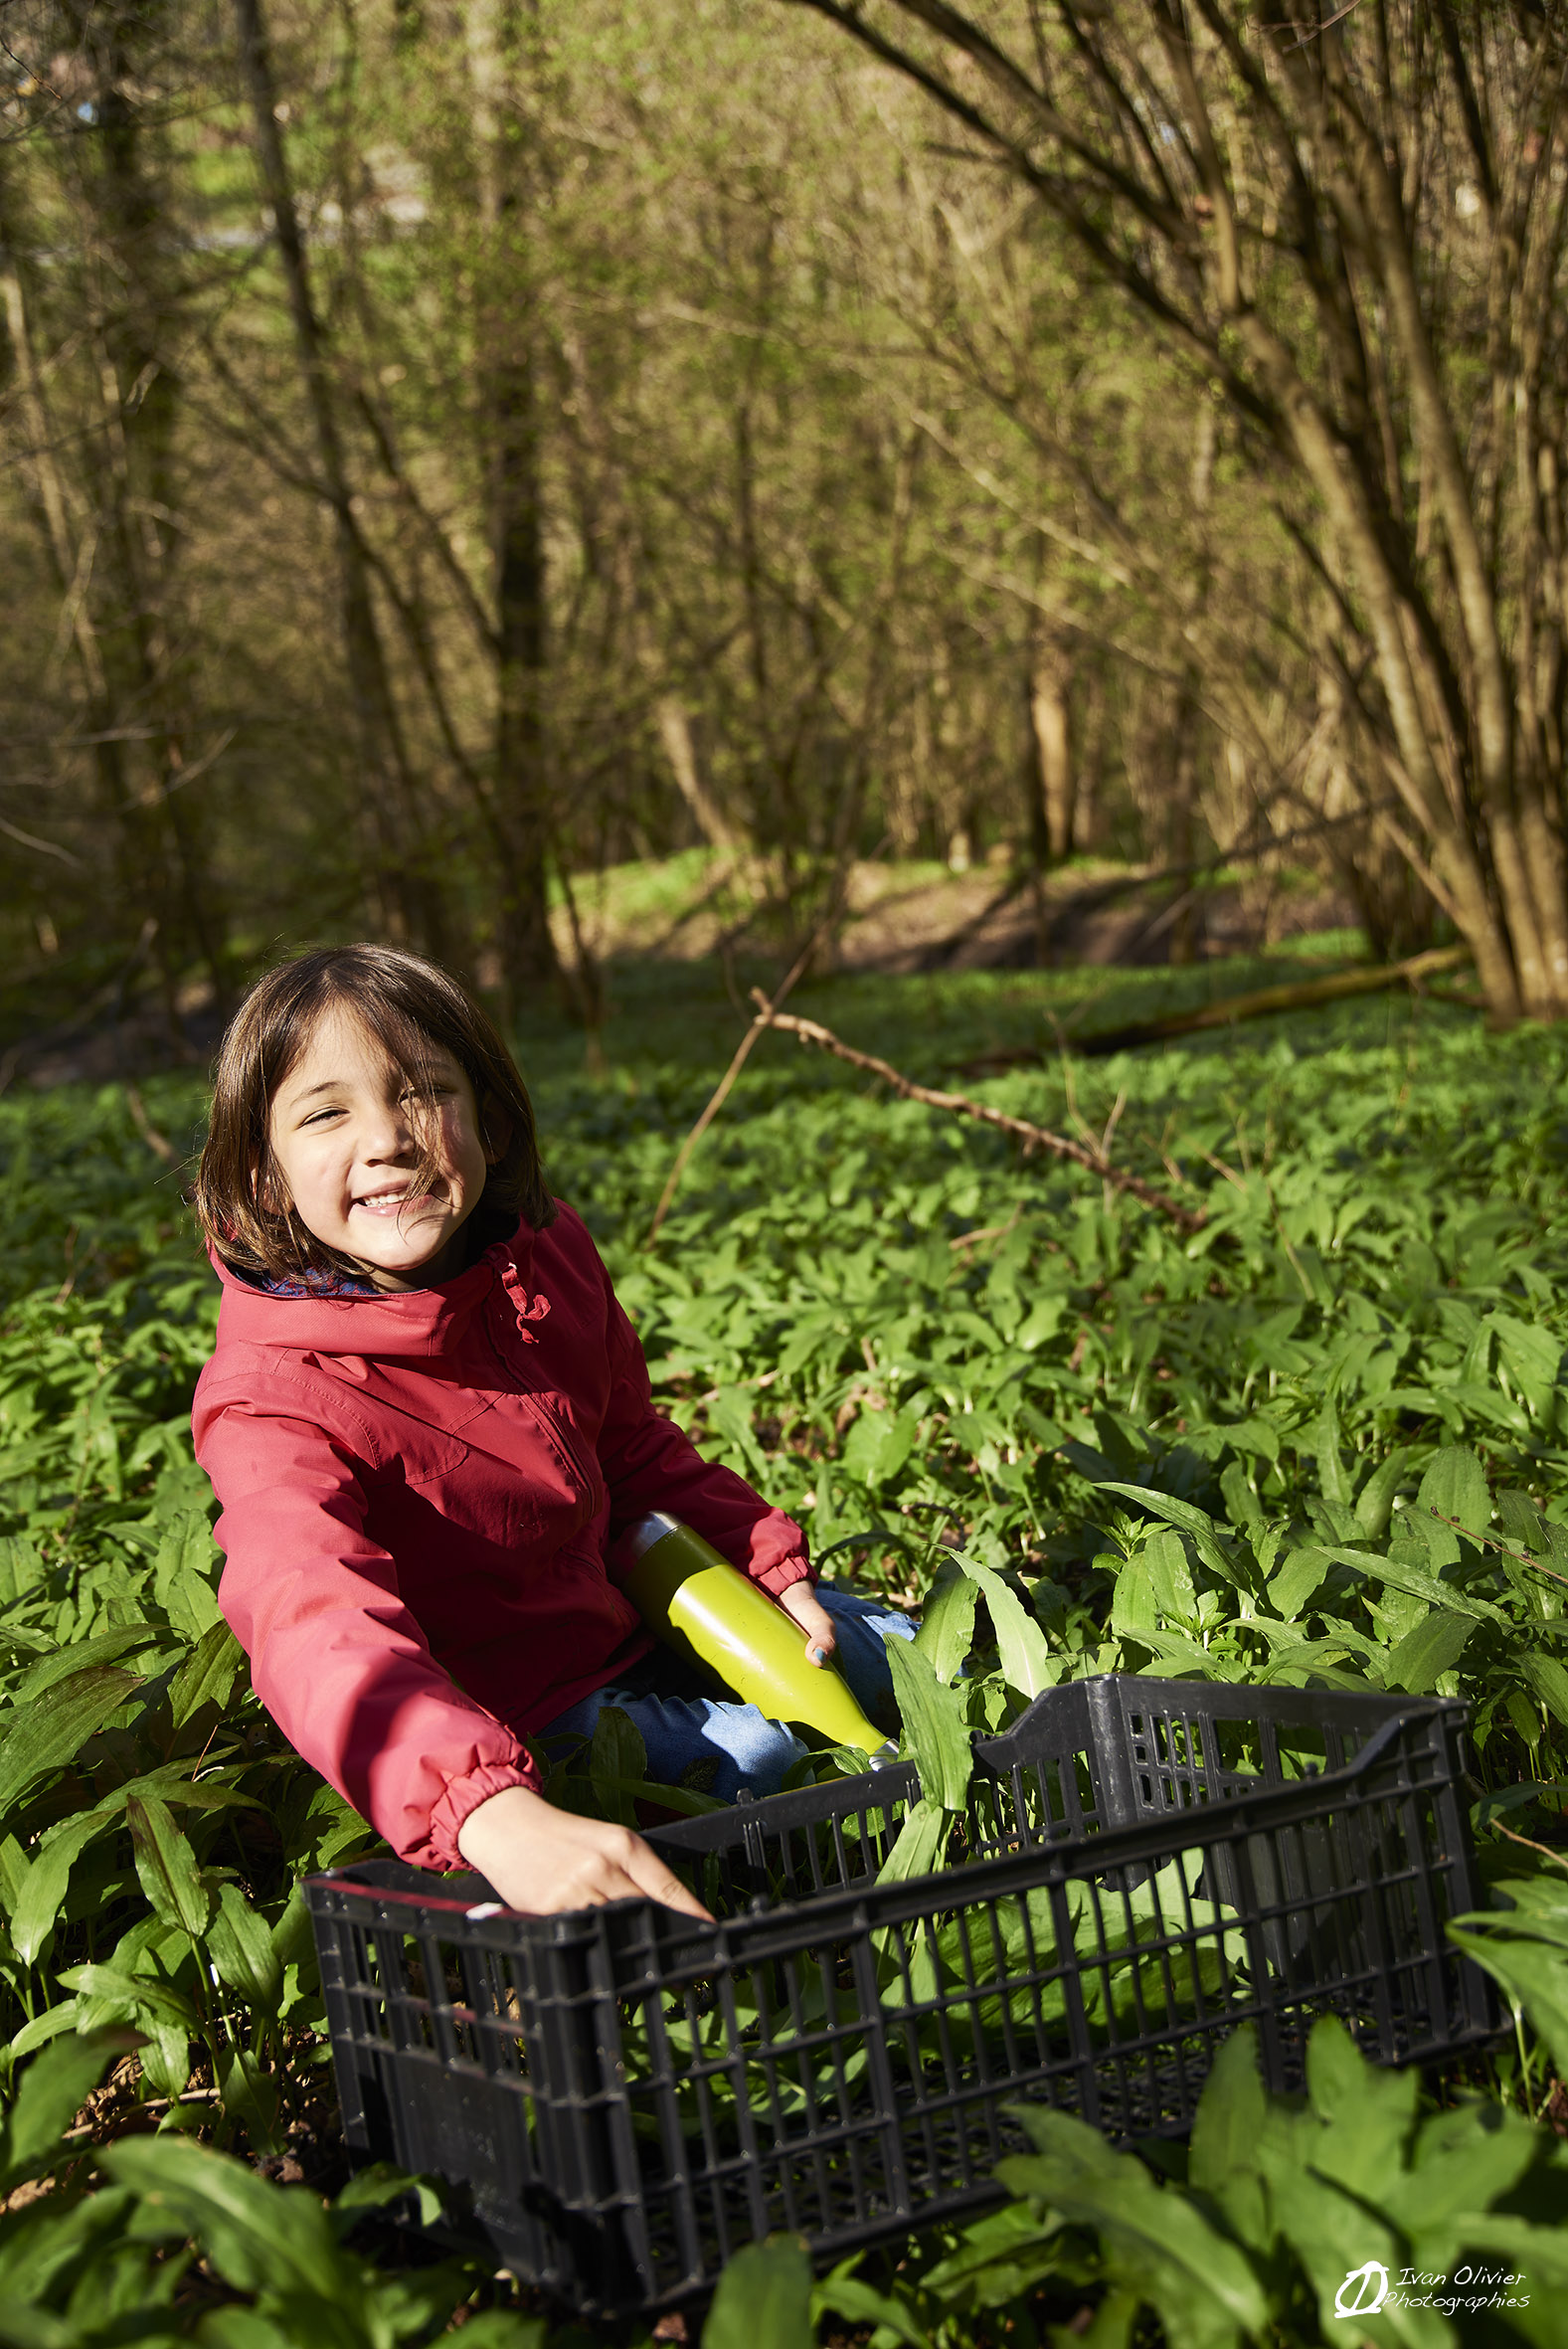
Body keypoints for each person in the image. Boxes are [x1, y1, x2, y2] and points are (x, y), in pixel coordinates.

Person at [190, 944, 915, 1920]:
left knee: (908, 1652)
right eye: (326, 1112)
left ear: (487, 1120)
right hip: (513, 1720)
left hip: (638, 1617)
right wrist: (486, 1809)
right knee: (764, 1761)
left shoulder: (542, 1258)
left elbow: (630, 1448)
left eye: (422, 1091)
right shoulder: (273, 1400)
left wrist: (765, 1565)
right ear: (264, 1176)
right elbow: (312, 1621)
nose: (389, 1140)